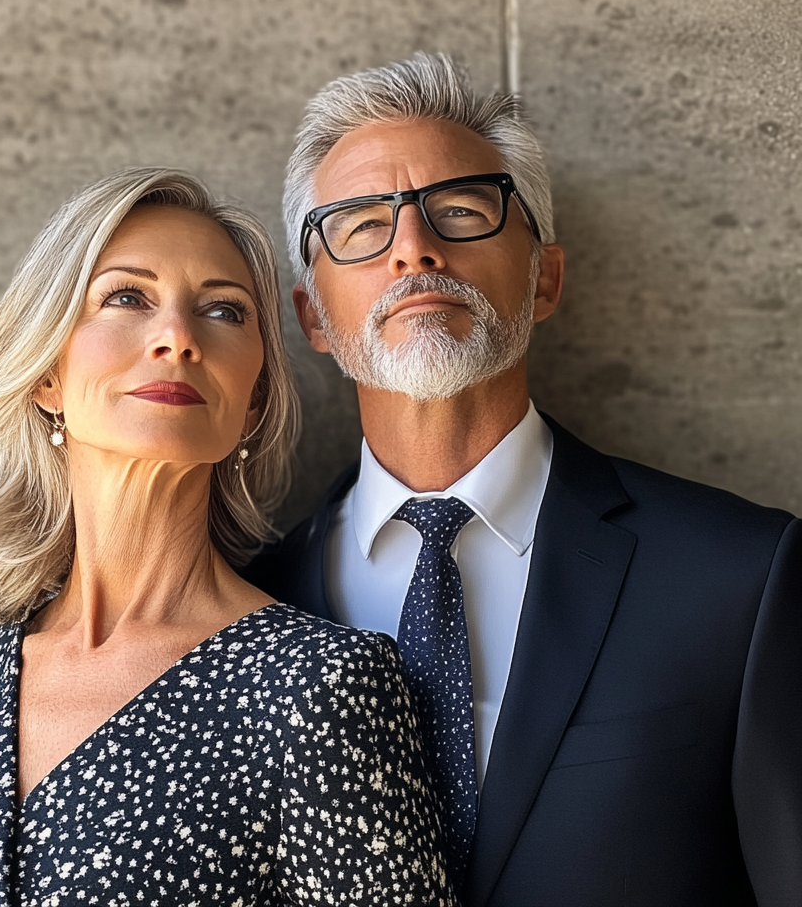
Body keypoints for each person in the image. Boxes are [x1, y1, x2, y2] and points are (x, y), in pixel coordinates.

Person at [246, 53, 802, 907]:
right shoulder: (244, 609)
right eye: (361, 225)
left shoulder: (743, 579)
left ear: (544, 277)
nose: (414, 249)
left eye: (461, 211)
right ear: (312, 315)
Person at [0, 168, 458, 907]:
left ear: (250, 404)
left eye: (223, 311)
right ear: (47, 373)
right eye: (127, 297)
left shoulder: (318, 689)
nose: (178, 338)